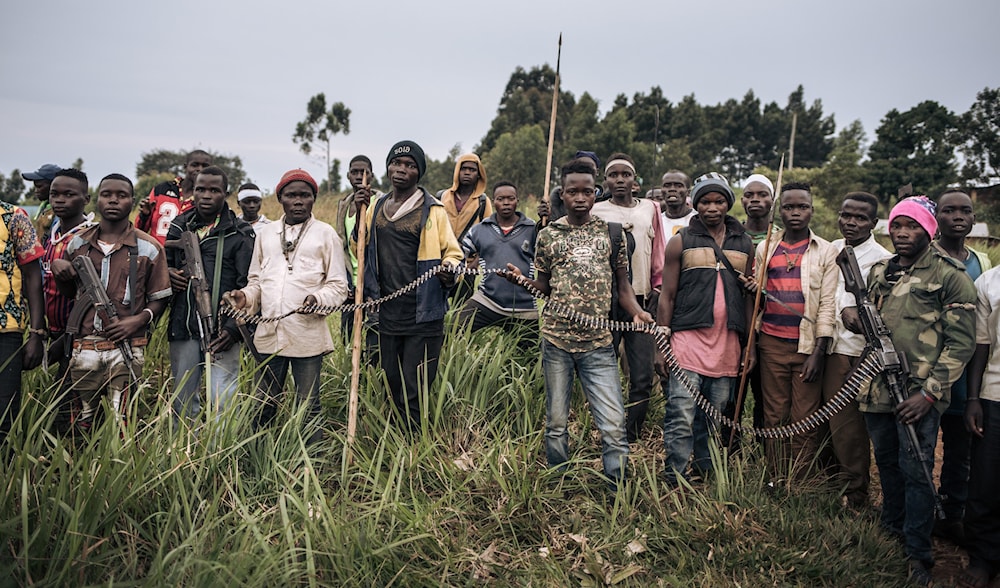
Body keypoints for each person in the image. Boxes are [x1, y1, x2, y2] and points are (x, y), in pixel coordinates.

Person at [504, 159, 653, 491]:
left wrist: (636, 313)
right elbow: (543, 289)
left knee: (613, 424)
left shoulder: (611, 233)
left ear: (595, 191)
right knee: (557, 422)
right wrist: (520, 281)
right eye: (573, 191)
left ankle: (617, 489)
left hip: (599, 344)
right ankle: (559, 483)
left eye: (588, 191)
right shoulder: (549, 236)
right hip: (556, 342)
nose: (581, 197)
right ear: (563, 193)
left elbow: (623, 288)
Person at [855, 195, 976, 586]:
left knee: (918, 471)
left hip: (919, 395)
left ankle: (917, 554)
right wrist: (851, 317)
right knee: (887, 465)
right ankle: (888, 536)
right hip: (877, 387)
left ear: (930, 230)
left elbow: (961, 344)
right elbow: (867, 317)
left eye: (913, 227)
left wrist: (928, 394)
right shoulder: (879, 272)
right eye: (897, 226)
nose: (903, 234)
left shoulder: (950, 275)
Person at [225, 169, 348, 442]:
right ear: (280, 198)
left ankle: (313, 466)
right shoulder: (266, 234)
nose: (298, 201)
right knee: (263, 403)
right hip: (269, 336)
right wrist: (245, 297)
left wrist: (317, 299)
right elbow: (256, 281)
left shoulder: (326, 235)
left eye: (305, 195)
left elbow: (339, 286)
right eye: (291, 195)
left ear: (313, 198)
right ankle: (257, 457)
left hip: (307, 335)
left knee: (308, 406)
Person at [352, 141, 463, 431]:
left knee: (415, 384)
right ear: (388, 167)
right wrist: (358, 212)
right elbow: (358, 248)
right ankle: (396, 440)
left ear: (419, 173)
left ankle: (415, 445)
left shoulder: (433, 210)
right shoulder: (375, 206)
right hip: (387, 310)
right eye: (397, 163)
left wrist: (449, 271)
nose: (402, 170)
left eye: (410, 165)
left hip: (423, 311)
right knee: (391, 378)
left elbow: (453, 253)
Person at [656, 172, 753, 486]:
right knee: (681, 415)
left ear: (728, 203)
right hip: (687, 342)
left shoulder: (744, 243)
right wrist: (662, 344)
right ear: (695, 204)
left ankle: (706, 473)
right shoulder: (680, 241)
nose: (713, 207)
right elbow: (667, 296)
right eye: (706, 201)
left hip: (727, 345)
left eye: (719, 201)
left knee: (711, 418)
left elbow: (751, 297)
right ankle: (674, 477)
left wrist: (750, 345)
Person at [52, 174, 171, 431]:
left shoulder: (149, 248)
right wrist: (60, 268)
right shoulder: (78, 244)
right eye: (107, 195)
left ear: (132, 201)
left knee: (123, 420)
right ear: (96, 200)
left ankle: (124, 466)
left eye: (121, 196)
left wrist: (138, 321)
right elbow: (68, 292)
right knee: (81, 421)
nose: (114, 200)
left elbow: (159, 298)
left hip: (128, 345)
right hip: (84, 345)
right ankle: (81, 466)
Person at [755, 182, 837, 478]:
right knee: (774, 415)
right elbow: (759, 300)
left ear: (812, 211)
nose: (795, 213)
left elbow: (827, 303)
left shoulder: (825, 251)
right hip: (772, 344)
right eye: (789, 207)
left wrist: (819, 351)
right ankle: (776, 477)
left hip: (807, 347)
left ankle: (799, 480)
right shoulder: (766, 246)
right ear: (780, 210)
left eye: (802, 207)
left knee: (804, 418)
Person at [165, 166, 255, 428]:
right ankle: (182, 455)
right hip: (183, 324)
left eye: (214, 190)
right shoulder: (179, 226)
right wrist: (169, 274)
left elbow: (247, 285)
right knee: (183, 397)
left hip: (223, 330)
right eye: (200, 189)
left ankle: (220, 457)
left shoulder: (240, 233)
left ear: (225, 194)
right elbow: (162, 268)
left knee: (223, 398)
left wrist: (232, 330)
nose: (206, 195)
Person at [820, 192, 889, 508]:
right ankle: (829, 481)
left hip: (855, 353)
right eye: (846, 215)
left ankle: (856, 493)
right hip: (824, 347)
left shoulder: (882, 259)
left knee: (849, 427)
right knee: (827, 421)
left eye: (860, 218)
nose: (852, 222)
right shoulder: (830, 248)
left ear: (873, 223)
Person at [930, 188, 991, 543]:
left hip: (967, 375)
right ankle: (922, 513)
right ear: (935, 217)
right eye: (949, 210)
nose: (958, 217)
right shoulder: (922, 255)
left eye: (965, 211)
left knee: (959, 450)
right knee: (921, 446)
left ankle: (953, 515)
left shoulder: (981, 261)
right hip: (928, 371)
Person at [591, 153, 666, 442]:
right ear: (605, 180)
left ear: (635, 181)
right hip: (606, 302)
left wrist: (657, 290)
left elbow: (657, 251)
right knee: (604, 369)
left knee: (643, 375)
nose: (620, 180)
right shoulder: (597, 210)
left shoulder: (650, 207)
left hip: (641, 303)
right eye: (614, 175)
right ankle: (606, 429)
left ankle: (631, 433)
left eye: (626, 175)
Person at [723, 173, 777, 450]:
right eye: (749, 195)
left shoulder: (781, 237)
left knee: (765, 395)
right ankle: (728, 450)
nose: (755, 200)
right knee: (732, 394)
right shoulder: (732, 235)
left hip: (770, 326)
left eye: (762, 195)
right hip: (735, 323)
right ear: (742, 200)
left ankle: (762, 454)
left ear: (772, 199)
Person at [41, 168, 95, 434]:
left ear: (86, 198)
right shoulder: (51, 233)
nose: (59, 200)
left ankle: (72, 454)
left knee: (69, 404)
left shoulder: (88, 237)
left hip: (75, 336)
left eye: (69, 195)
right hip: (51, 331)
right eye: (55, 194)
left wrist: (67, 338)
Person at [455, 181, 538, 342]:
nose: (506, 203)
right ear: (494, 202)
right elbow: (459, 255)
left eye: (510, 198)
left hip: (524, 306)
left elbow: (546, 259)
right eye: (501, 199)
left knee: (529, 358)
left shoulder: (533, 229)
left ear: (517, 201)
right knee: (453, 329)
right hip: (487, 300)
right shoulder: (480, 230)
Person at [962, 263, 1000, 588]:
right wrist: (973, 398)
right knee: (986, 479)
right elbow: (981, 344)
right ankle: (984, 555)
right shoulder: (989, 281)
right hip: (995, 394)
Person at [0, 196, 45, 442]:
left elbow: (33, 277)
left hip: (6, 331)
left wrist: (37, 333)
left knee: (5, 413)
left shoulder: (13, 216)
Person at [336, 155, 383, 344]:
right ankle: (349, 370)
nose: (359, 176)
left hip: (374, 282)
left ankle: (370, 371)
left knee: (375, 331)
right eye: (354, 172)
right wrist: (343, 280)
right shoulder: (344, 204)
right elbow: (342, 245)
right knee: (347, 335)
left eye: (363, 172)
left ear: (371, 176)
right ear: (348, 176)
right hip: (351, 281)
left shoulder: (381, 203)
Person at [439, 154, 492, 305]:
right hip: (444, 263)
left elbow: (489, 236)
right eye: (463, 169)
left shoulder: (483, 201)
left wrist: (476, 263)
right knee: (438, 305)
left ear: (478, 174)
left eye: (472, 170)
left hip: (467, 264)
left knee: (461, 310)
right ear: (457, 171)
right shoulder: (442, 197)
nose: (467, 173)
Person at [136, 149, 212, 245]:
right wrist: (144, 215)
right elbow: (139, 231)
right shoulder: (161, 190)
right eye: (194, 165)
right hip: (155, 254)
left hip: (183, 257)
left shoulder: (207, 199)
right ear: (185, 167)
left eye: (205, 166)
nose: (199, 169)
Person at [538, 151, 603, 223]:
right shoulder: (558, 200)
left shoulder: (607, 199)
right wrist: (545, 219)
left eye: (587, 192)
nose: (580, 199)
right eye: (572, 192)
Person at [22, 163, 62, 242]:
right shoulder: (45, 208)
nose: (36, 191)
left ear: (53, 185)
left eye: (39, 186)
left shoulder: (60, 212)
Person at [660, 170, 695, 237]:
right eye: (667, 186)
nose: (672, 189)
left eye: (678, 186)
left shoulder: (698, 219)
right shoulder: (656, 222)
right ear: (661, 191)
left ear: (688, 192)